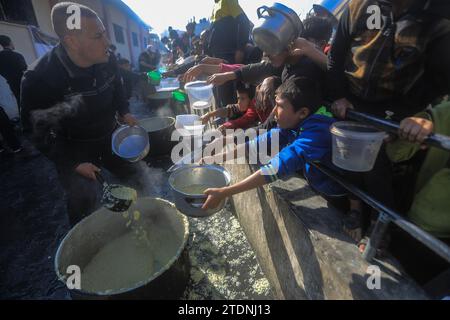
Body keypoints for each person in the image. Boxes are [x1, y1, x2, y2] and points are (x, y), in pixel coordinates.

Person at [327, 0, 450, 248]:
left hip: (394, 105)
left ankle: (379, 223)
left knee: (377, 165)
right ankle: (355, 209)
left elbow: (438, 79)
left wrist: (403, 115)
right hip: (350, 101)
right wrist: (338, 95)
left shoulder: (439, 15)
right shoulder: (356, 6)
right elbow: (336, 56)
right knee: (347, 155)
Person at [21, 2, 142, 226]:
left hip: (111, 135)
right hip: (73, 148)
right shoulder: (39, 78)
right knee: (83, 203)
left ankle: (146, 221)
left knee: (139, 179)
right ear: (72, 41)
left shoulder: (107, 58)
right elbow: (35, 131)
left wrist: (124, 112)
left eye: (105, 33)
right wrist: (72, 163)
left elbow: (117, 88)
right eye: (98, 36)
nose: (107, 42)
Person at [200, 77, 343, 210]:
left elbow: (277, 167)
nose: (274, 112)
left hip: (335, 192)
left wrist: (224, 192)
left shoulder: (318, 133)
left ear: (302, 112)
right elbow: (257, 143)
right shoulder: (294, 123)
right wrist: (216, 158)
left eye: (279, 106)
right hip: (317, 180)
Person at [206, 15, 333, 91]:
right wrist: (227, 75)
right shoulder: (291, 61)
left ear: (321, 44)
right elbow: (263, 68)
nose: (266, 54)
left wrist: (307, 48)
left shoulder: (318, 65)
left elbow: (338, 73)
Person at [207, 0, 252, 107]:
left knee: (228, 90)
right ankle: (222, 114)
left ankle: (232, 118)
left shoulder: (227, 1)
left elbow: (245, 22)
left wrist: (240, 49)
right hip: (217, 54)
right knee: (217, 87)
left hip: (228, 54)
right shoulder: (215, 5)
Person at [0, 35, 27, 109]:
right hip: (24, 84)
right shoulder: (17, 56)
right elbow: (26, 71)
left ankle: (24, 119)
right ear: (10, 42)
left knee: (20, 103)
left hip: (12, 84)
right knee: (30, 102)